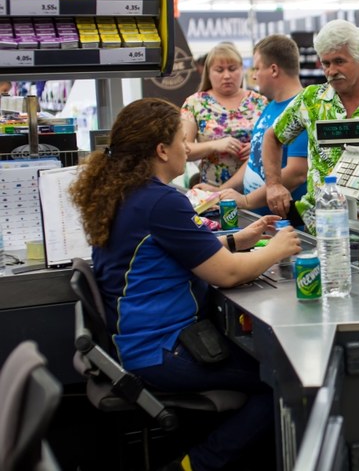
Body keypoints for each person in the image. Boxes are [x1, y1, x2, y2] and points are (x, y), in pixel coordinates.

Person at [69, 98, 302, 471]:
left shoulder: (128, 194)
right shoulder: (161, 201)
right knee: (285, 379)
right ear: (162, 150)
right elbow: (226, 274)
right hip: (162, 350)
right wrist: (276, 249)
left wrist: (236, 241)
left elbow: (173, 250)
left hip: (137, 342)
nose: (188, 149)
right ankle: (194, 465)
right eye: (183, 141)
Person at [263, 19, 359, 233]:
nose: (331, 70)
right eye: (326, 63)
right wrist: (273, 184)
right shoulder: (311, 101)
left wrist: (356, 230)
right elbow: (272, 137)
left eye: (339, 61)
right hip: (320, 230)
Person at [196, 35, 308, 223]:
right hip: (260, 220)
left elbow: (296, 173)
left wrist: (247, 200)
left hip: (286, 225)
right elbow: (254, 161)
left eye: (256, 68)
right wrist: (221, 191)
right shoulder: (271, 106)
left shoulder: (302, 109)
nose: (254, 75)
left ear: (273, 70)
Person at [181, 42, 267, 186]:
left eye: (232, 69)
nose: (226, 75)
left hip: (255, 192)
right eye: (219, 70)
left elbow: (277, 144)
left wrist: (257, 148)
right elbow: (182, 149)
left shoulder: (260, 102)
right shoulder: (194, 103)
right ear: (208, 73)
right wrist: (215, 145)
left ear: (242, 69)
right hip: (211, 191)